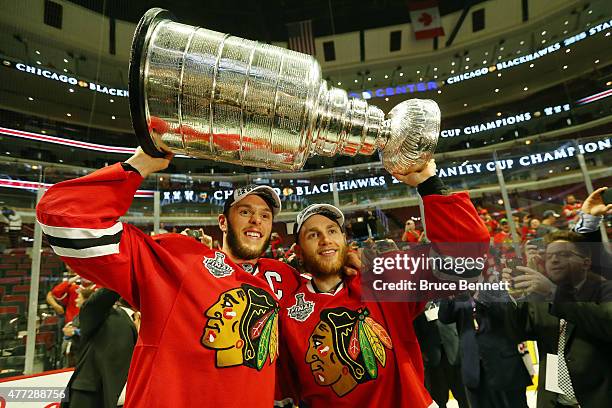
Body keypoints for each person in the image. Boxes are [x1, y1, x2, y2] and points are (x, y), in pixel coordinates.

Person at [36, 147, 300, 407]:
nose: (256, 220)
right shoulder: (182, 260)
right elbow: (63, 221)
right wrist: (141, 163)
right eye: (245, 212)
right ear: (222, 222)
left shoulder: (281, 278)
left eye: (265, 215)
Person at [275, 160, 490, 407]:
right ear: (298, 252)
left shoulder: (383, 279)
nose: (326, 240)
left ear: (345, 241)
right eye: (313, 235)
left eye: (333, 231)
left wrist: (430, 184)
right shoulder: (287, 313)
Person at [502, 230, 612, 408]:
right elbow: (516, 333)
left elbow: (606, 323)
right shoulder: (541, 295)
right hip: (554, 401)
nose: (554, 260)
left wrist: (554, 293)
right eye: (549, 255)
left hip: (599, 399)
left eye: (564, 254)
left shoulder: (604, 289)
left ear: (586, 263)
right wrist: (516, 296)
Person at [439, 292, 532, 408]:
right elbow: (444, 318)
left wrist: (479, 292)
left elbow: (505, 312)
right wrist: (448, 294)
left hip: (503, 365)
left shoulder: (494, 283)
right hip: (473, 367)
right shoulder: (459, 292)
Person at [61, 288, 139, 408]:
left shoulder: (145, 321)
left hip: (125, 398)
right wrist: (121, 281)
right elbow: (96, 302)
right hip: (91, 396)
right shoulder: (105, 315)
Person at [414, 307, 470, 408]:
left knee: (463, 395)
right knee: (438, 398)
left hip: (454, 350)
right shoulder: (416, 299)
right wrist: (421, 351)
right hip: (432, 356)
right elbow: (413, 324)